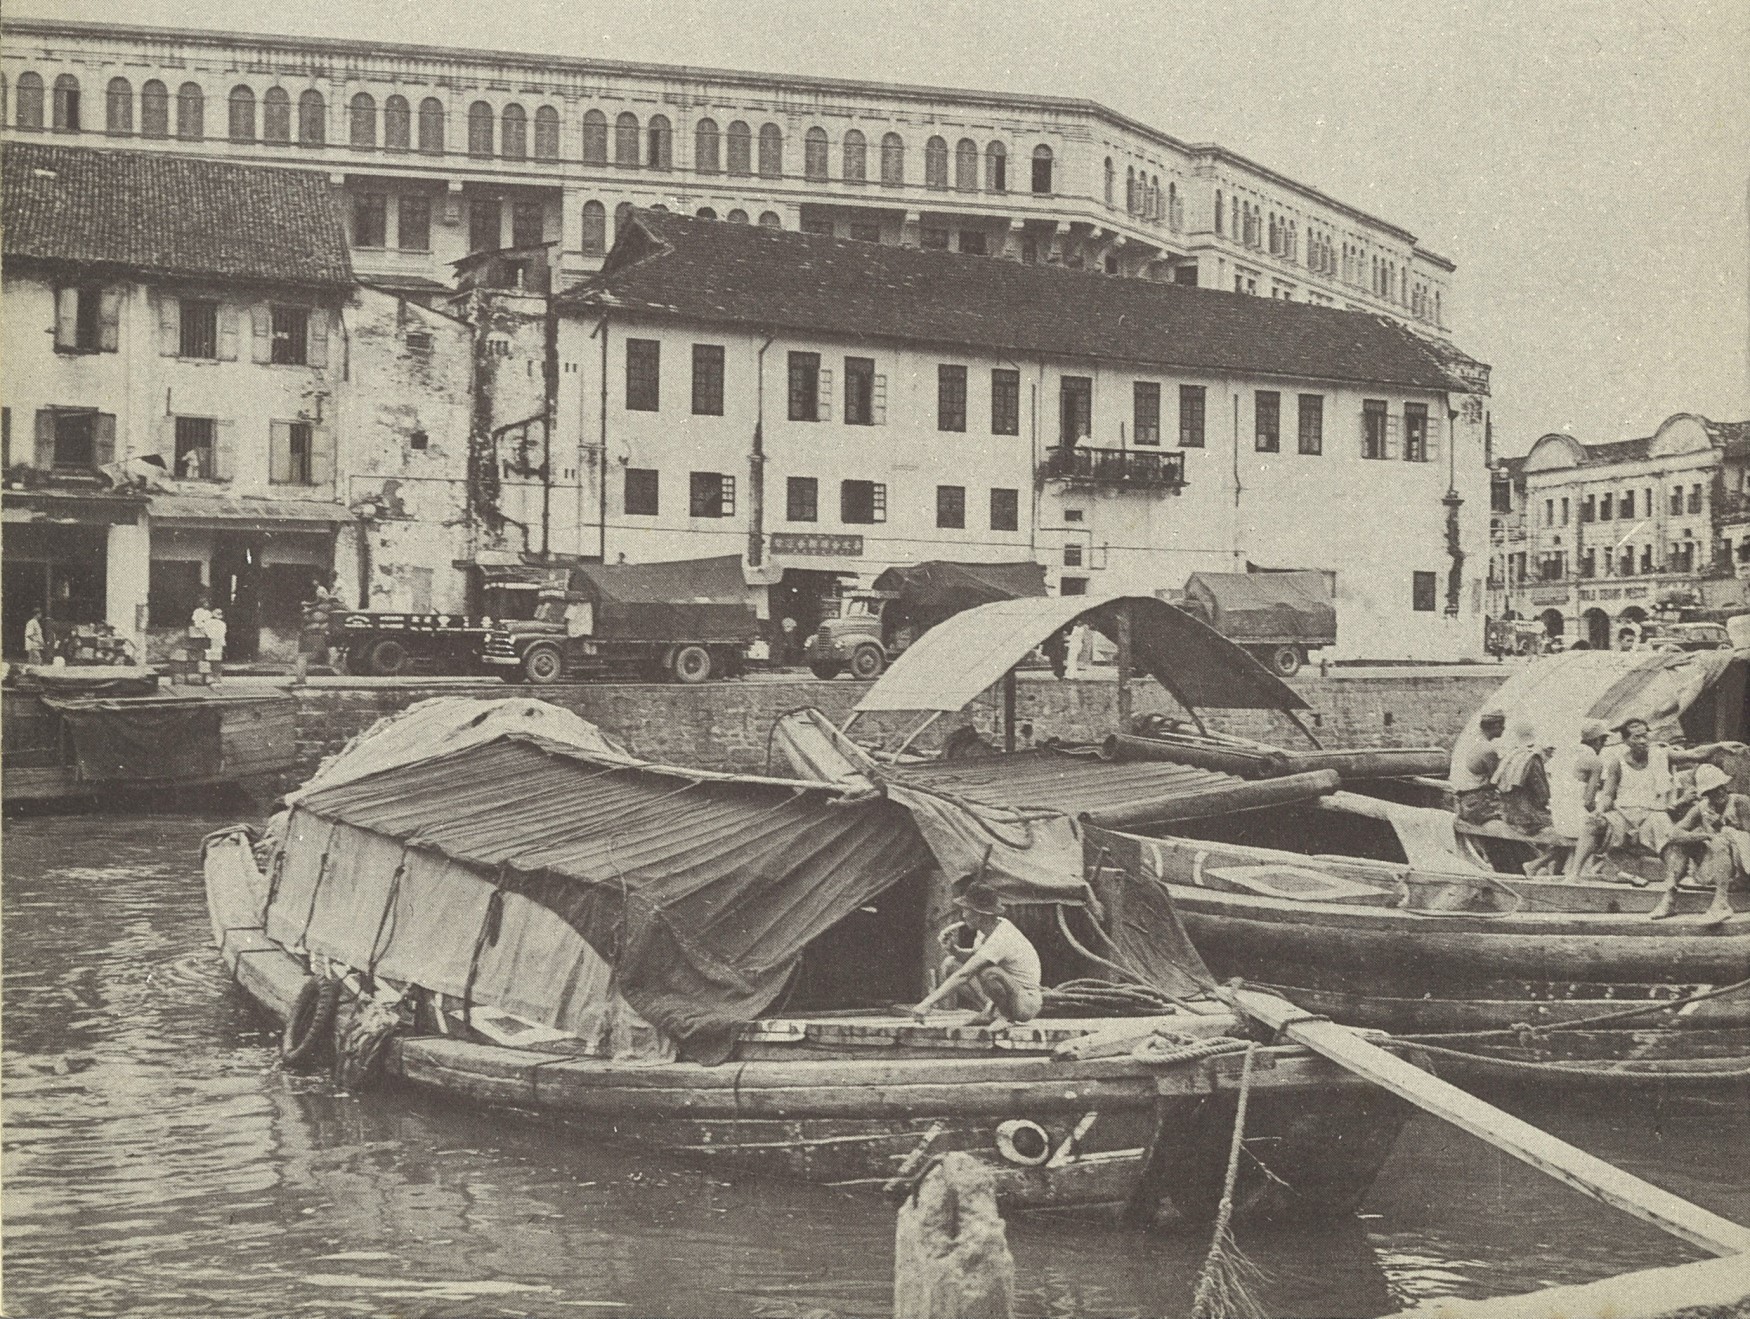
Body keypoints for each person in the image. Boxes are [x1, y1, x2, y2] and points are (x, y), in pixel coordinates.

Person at [1570, 717, 1747, 881]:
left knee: (1672, 839)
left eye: (1644, 736)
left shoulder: (1661, 754)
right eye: (1636, 737)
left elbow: (1694, 754)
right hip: (1623, 815)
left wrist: (1720, 746)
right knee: (1592, 824)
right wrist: (1600, 810)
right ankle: (1573, 874)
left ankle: (1672, 884)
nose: (1642, 741)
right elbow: (1608, 795)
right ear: (1626, 741)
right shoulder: (1617, 763)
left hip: (1654, 815)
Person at [908, 881, 1043, 1027]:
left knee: (989, 973)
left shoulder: (1001, 936)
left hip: (1025, 1003)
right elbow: (974, 958)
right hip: (1010, 998)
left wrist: (927, 1003)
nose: (963, 916)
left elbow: (965, 973)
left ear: (980, 914)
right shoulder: (985, 931)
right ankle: (991, 1012)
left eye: (966, 910)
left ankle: (1006, 1017)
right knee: (950, 964)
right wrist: (952, 949)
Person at [1652, 764, 1747, 923]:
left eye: (1721, 787)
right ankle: (1669, 898)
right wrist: (1704, 836)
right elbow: (1674, 834)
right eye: (1713, 790)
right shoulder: (1702, 807)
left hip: (1742, 865)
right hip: (1716, 865)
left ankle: (1721, 902)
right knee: (1682, 842)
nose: (1720, 792)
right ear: (1706, 794)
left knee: (1720, 839)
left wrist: (1723, 827)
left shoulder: (1739, 802)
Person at [1557, 720, 1612, 878]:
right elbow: (1588, 802)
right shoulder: (1595, 761)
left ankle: (1568, 869)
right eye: (1604, 741)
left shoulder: (1566, 754)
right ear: (1597, 740)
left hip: (1558, 816)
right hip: (1573, 822)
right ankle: (1581, 872)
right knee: (1603, 826)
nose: (1604, 745)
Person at [1449, 707, 1508, 826]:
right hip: (1478, 805)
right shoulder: (1487, 749)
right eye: (1502, 725)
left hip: (1462, 803)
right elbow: (1500, 781)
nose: (1504, 728)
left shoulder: (1469, 742)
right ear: (1496, 725)